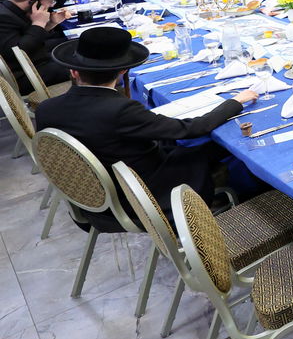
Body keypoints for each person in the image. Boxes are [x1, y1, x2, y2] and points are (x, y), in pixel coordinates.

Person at [34, 27, 257, 213]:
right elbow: (191, 128)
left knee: (180, 143)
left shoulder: (45, 109)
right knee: (221, 146)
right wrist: (235, 102)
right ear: (123, 71)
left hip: (89, 197)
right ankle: (250, 197)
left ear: (73, 72)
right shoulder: (120, 110)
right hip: (142, 197)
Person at [0, 0, 71, 94]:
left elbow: (28, 37)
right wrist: (39, 24)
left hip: (35, 63)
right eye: (51, 1)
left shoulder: (13, 10)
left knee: (74, 48)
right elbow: (17, 54)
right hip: (23, 77)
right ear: (33, 1)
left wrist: (50, 24)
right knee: (84, 66)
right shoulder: (3, 17)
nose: (51, 5)